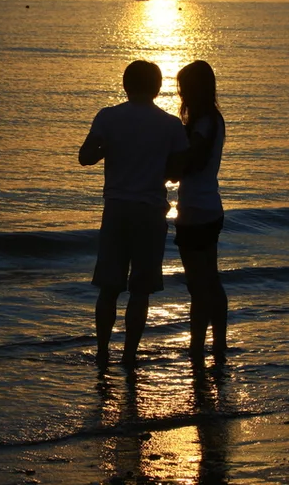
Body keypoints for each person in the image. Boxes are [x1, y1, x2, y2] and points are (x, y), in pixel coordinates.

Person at [80, 60, 189, 369]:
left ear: (125, 86)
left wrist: (109, 148)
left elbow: (84, 157)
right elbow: (176, 173)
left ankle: (102, 352)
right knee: (140, 290)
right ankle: (129, 356)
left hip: (116, 209)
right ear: (157, 87)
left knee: (109, 286)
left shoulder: (108, 117)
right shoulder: (170, 125)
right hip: (150, 211)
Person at [173, 60, 228, 362]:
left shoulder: (203, 124)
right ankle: (218, 343)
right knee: (210, 280)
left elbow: (189, 163)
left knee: (198, 284)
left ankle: (197, 347)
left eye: (184, 88)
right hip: (209, 208)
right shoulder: (213, 120)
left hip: (195, 211)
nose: (181, 94)